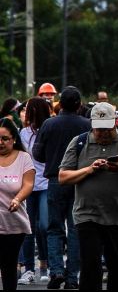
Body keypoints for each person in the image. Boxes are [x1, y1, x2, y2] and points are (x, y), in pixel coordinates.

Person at [58, 102, 118, 291]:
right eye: (99, 129)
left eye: (107, 129)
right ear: (92, 125)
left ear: (115, 123)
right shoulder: (79, 142)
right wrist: (89, 169)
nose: (103, 133)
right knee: (90, 267)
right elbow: (63, 177)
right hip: (87, 215)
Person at [32, 86, 91, 290]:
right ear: (79, 104)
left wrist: (53, 158)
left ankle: (56, 271)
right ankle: (73, 277)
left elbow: (37, 154)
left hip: (56, 180)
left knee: (54, 228)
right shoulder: (87, 125)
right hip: (81, 181)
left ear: (60, 104)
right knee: (75, 229)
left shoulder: (49, 124)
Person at [18, 98, 52, 286]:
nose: (25, 113)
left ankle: (44, 266)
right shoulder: (22, 133)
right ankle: (29, 269)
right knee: (27, 227)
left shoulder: (50, 129)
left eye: (28, 110)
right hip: (28, 184)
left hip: (46, 183)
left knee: (44, 226)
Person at [0, 118, 35, 292]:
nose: (0, 143)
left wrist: (17, 199)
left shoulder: (24, 158)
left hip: (14, 222)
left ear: (13, 138)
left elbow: (28, 184)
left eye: (4, 138)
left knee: (8, 264)